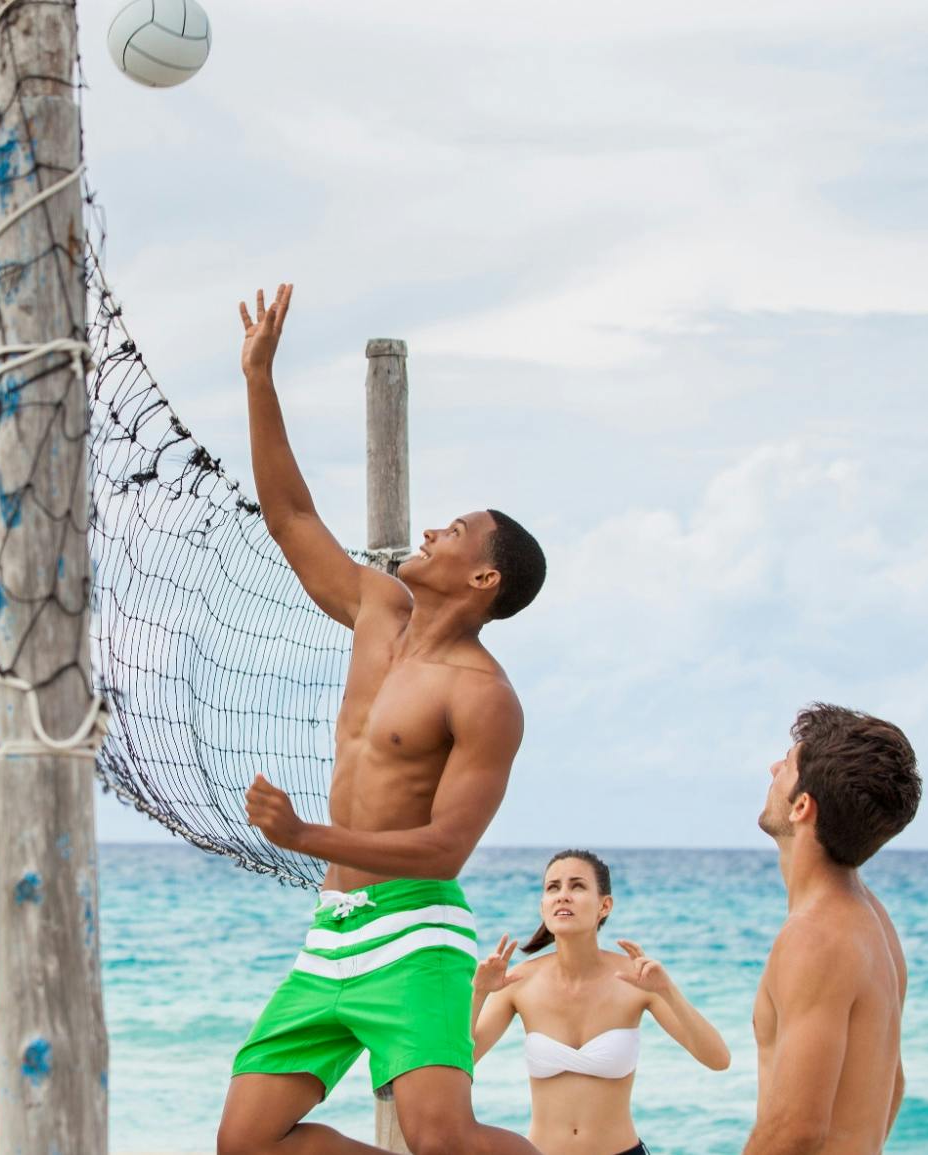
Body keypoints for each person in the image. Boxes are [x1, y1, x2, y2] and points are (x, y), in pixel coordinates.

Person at [215, 283, 550, 1155]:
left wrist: (305, 833)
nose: (435, 528)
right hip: (334, 931)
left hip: (416, 929)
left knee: (443, 1138)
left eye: (456, 531)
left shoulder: (483, 694)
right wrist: (259, 378)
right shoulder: (375, 608)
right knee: (244, 1143)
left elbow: (445, 848)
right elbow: (291, 518)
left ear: (484, 580)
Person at [742, 704, 920, 1155]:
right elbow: (890, 1082)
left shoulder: (814, 937)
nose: (774, 767)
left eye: (788, 765)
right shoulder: (871, 919)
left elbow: (794, 1130)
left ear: (802, 806)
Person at [469, 850, 729, 1155]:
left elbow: (717, 1059)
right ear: (543, 906)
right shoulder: (517, 983)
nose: (563, 896)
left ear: (604, 906)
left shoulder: (637, 980)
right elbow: (462, 1062)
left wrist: (667, 989)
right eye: (553, 888)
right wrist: (479, 992)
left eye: (577, 886)